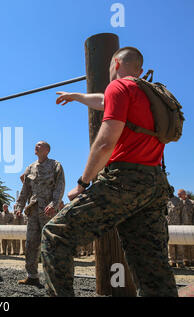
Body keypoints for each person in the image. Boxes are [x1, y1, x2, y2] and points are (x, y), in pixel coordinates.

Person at [43, 47, 178, 296]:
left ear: (115, 62)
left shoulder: (118, 87)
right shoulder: (148, 92)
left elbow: (105, 143)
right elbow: (104, 101)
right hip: (155, 183)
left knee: (55, 234)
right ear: (139, 69)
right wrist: (77, 96)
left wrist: (82, 183)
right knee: (152, 264)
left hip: (124, 181)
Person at [15, 141, 65, 286]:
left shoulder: (55, 165)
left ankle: (54, 278)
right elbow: (25, 190)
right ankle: (32, 276)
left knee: (50, 244)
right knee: (31, 243)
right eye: (35, 145)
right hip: (33, 211)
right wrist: (19, 206)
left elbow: (60, 186)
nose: (36, 146)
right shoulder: (30, 168)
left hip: (48, 211)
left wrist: (54, 204)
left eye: (40, 145)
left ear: (47, 150)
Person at [178, 189, 193, 267]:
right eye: (178, 195)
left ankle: (192, 260)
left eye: (180, 194)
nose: (179, 196)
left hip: (190, 225)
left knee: (191, 244)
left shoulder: (191, 203)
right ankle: (185, 260)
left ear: (184, 194)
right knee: (183, 244)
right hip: (182, 226)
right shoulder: (178, 203)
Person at [166, 195, 182, 267]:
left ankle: (179, 261)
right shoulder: (164, 199)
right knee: (170, 243)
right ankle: (172, 260)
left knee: (179, 243)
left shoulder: (178, 200)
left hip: (178, 224)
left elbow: (182, 212)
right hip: (169, 224)